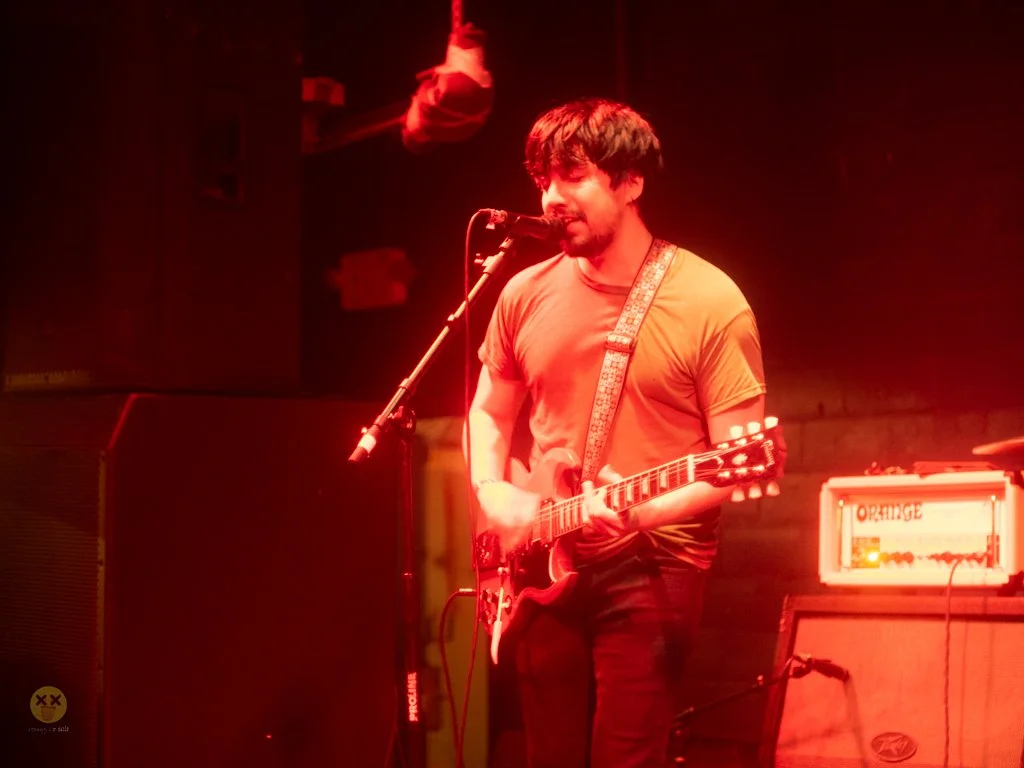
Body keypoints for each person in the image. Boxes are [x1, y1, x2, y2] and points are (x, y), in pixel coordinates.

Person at [464, 97, 770, 768]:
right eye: (543, 179)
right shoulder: (522, 292)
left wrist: (640, 513)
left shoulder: (710, 302)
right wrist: (492, 491)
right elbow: (488, 412)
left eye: (573, 175)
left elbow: (736, 461)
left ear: (631, 182)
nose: (551, 197)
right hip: (539, 556)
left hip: (654, 562)